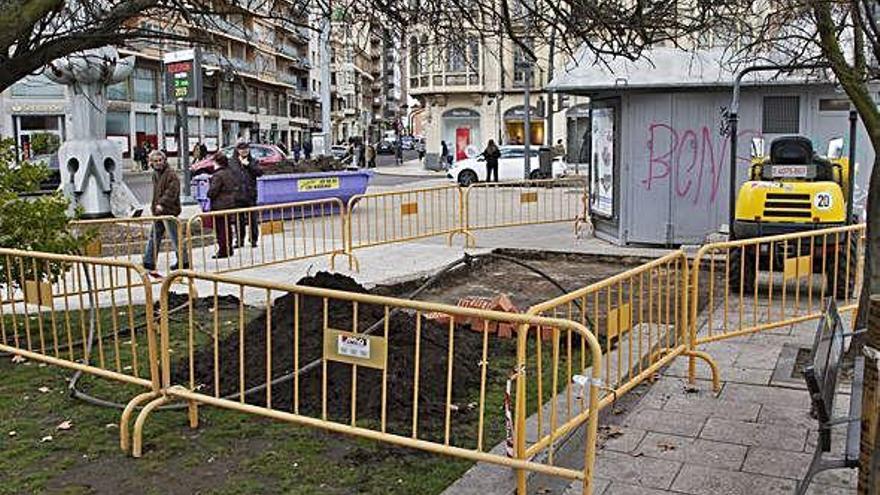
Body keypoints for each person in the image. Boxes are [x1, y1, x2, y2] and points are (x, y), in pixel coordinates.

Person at [143, 150, 188, 275]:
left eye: (160, 160)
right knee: (154, 236)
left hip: (168, 211)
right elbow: (157, 192)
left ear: (164, 160)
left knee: (175, 237)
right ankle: (149, 262)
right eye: (155, 161)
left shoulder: (171, 174)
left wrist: (162, 204)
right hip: (158, 211)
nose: (158, 163)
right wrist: (155, 206)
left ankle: (183, 261)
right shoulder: (155, 174)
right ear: (151, 163)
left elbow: (172, 192)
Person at [207, 154, 239, 259]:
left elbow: (212, 192)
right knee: (227, 228)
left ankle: (223, 250)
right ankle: (229, 248)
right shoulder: (230, 172)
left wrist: (209, 191)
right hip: (230, 204)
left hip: (219, 205)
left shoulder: (218, 175)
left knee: (221, 229)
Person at [231, 141, 262, 248]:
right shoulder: (232, 162)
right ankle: (239, 240)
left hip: (250, 194)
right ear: (237, 150)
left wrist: (248, 165)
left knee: (252, 218)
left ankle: (253, 239)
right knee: (238, 220)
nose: (244, 151)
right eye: (241, 149)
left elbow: (259, 172)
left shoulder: (253, 161)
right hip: (237, 195)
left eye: (246, 149)